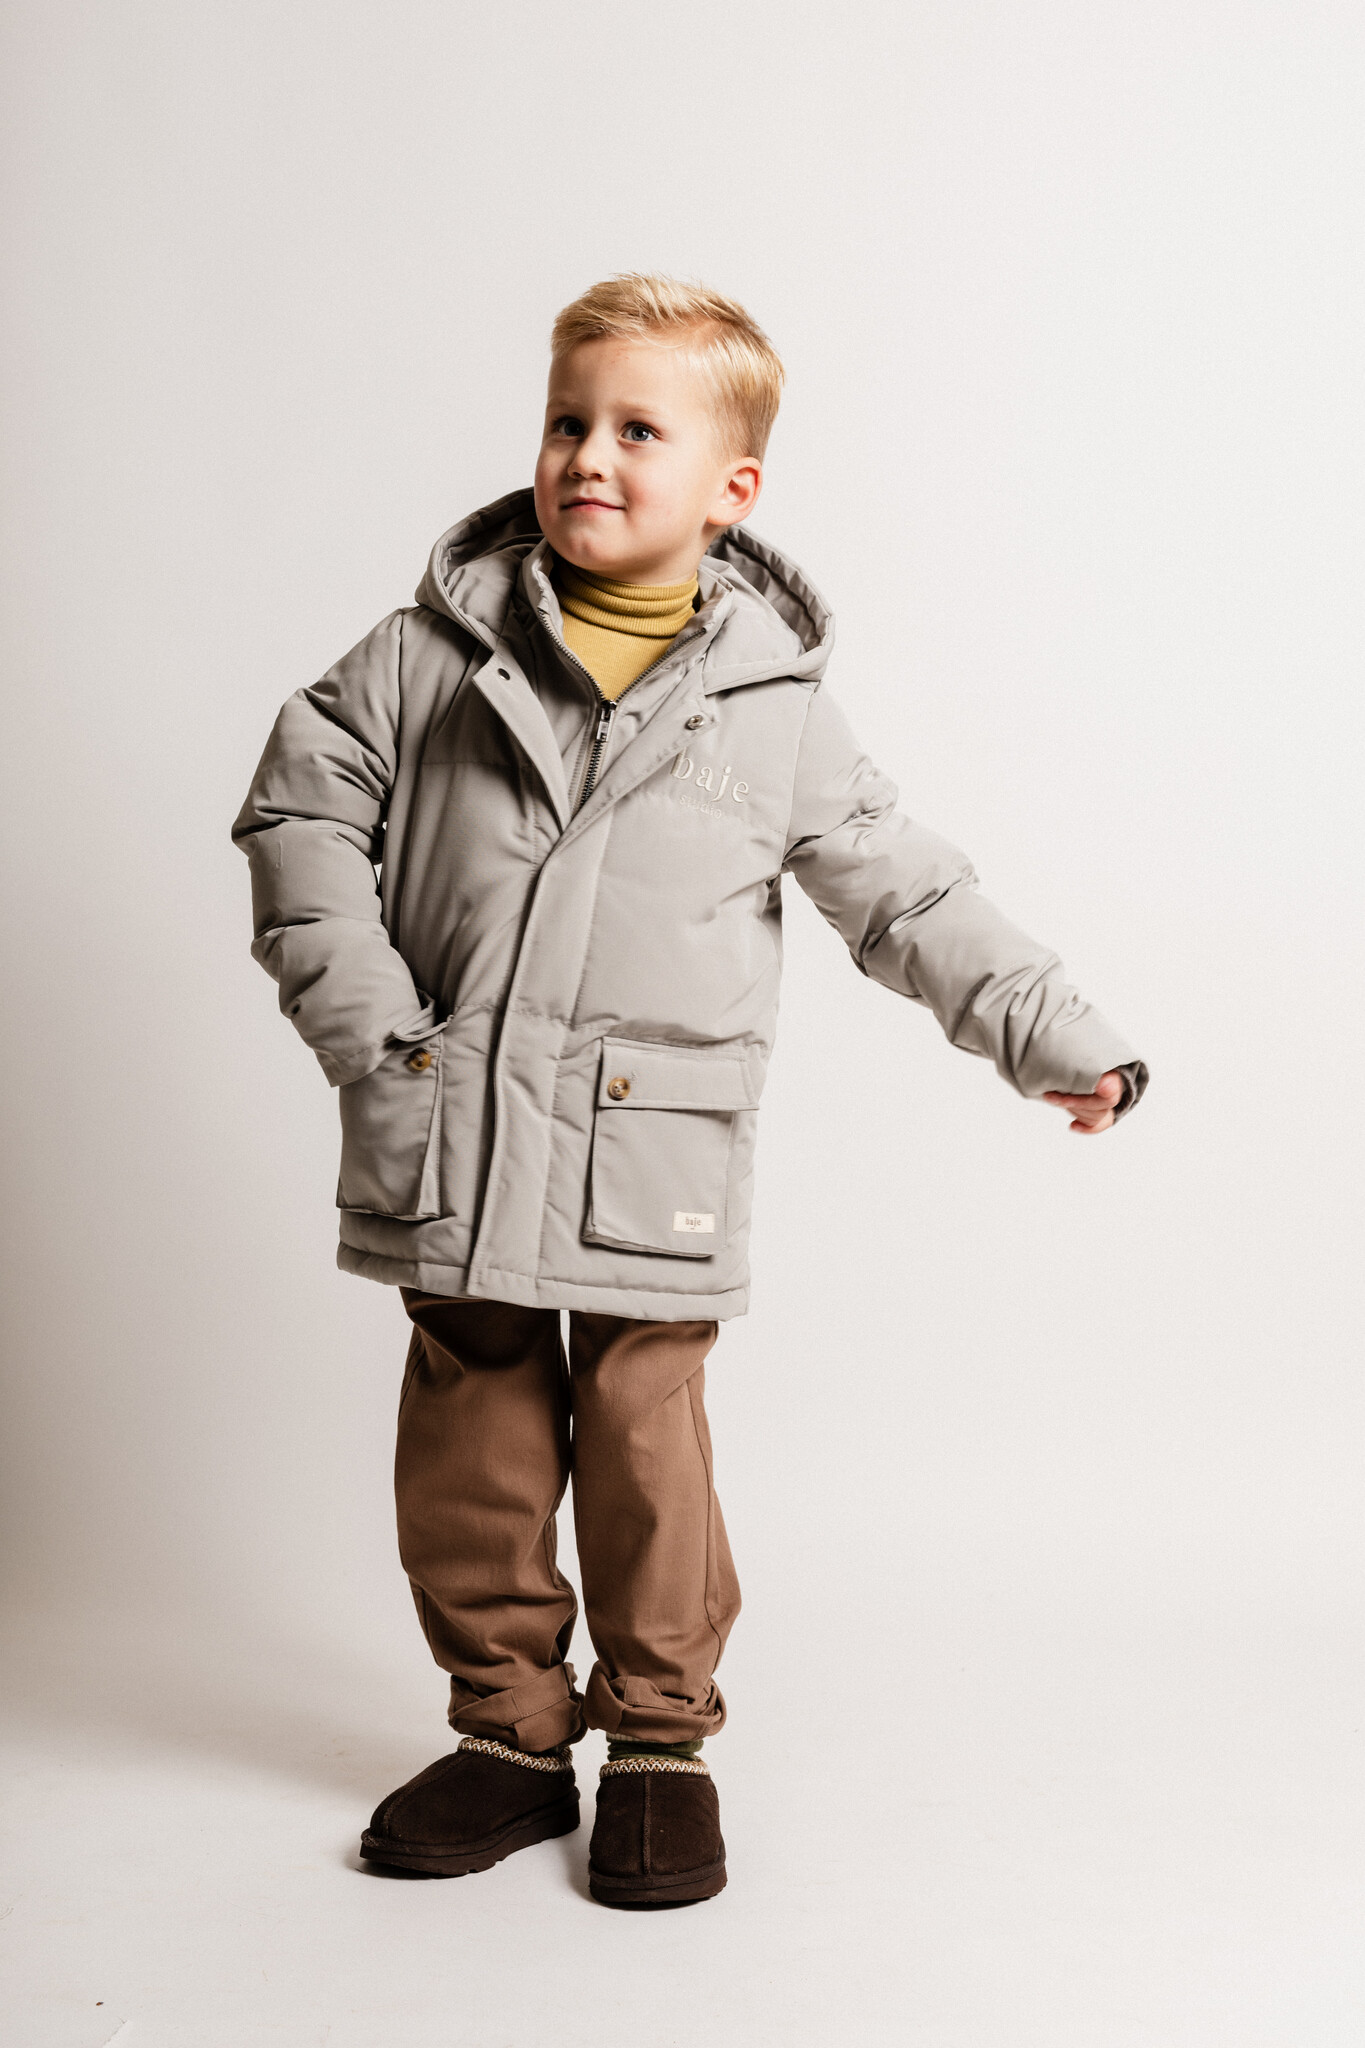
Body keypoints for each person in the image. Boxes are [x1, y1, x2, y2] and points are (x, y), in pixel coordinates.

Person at [233, 273, 1147, 1907]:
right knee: (471, 1436)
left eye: (635, 431)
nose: (587, 455)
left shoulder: (772, 712)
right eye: (565, 421)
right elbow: (300, 809)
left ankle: (658, 1741)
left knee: (645, 1436)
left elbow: (907, 894)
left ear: (731, 488)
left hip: (644, 1143)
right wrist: (372, 1026)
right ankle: (509, 1733)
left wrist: (1055, 1033)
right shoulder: (428, 652)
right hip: (451, 1111)